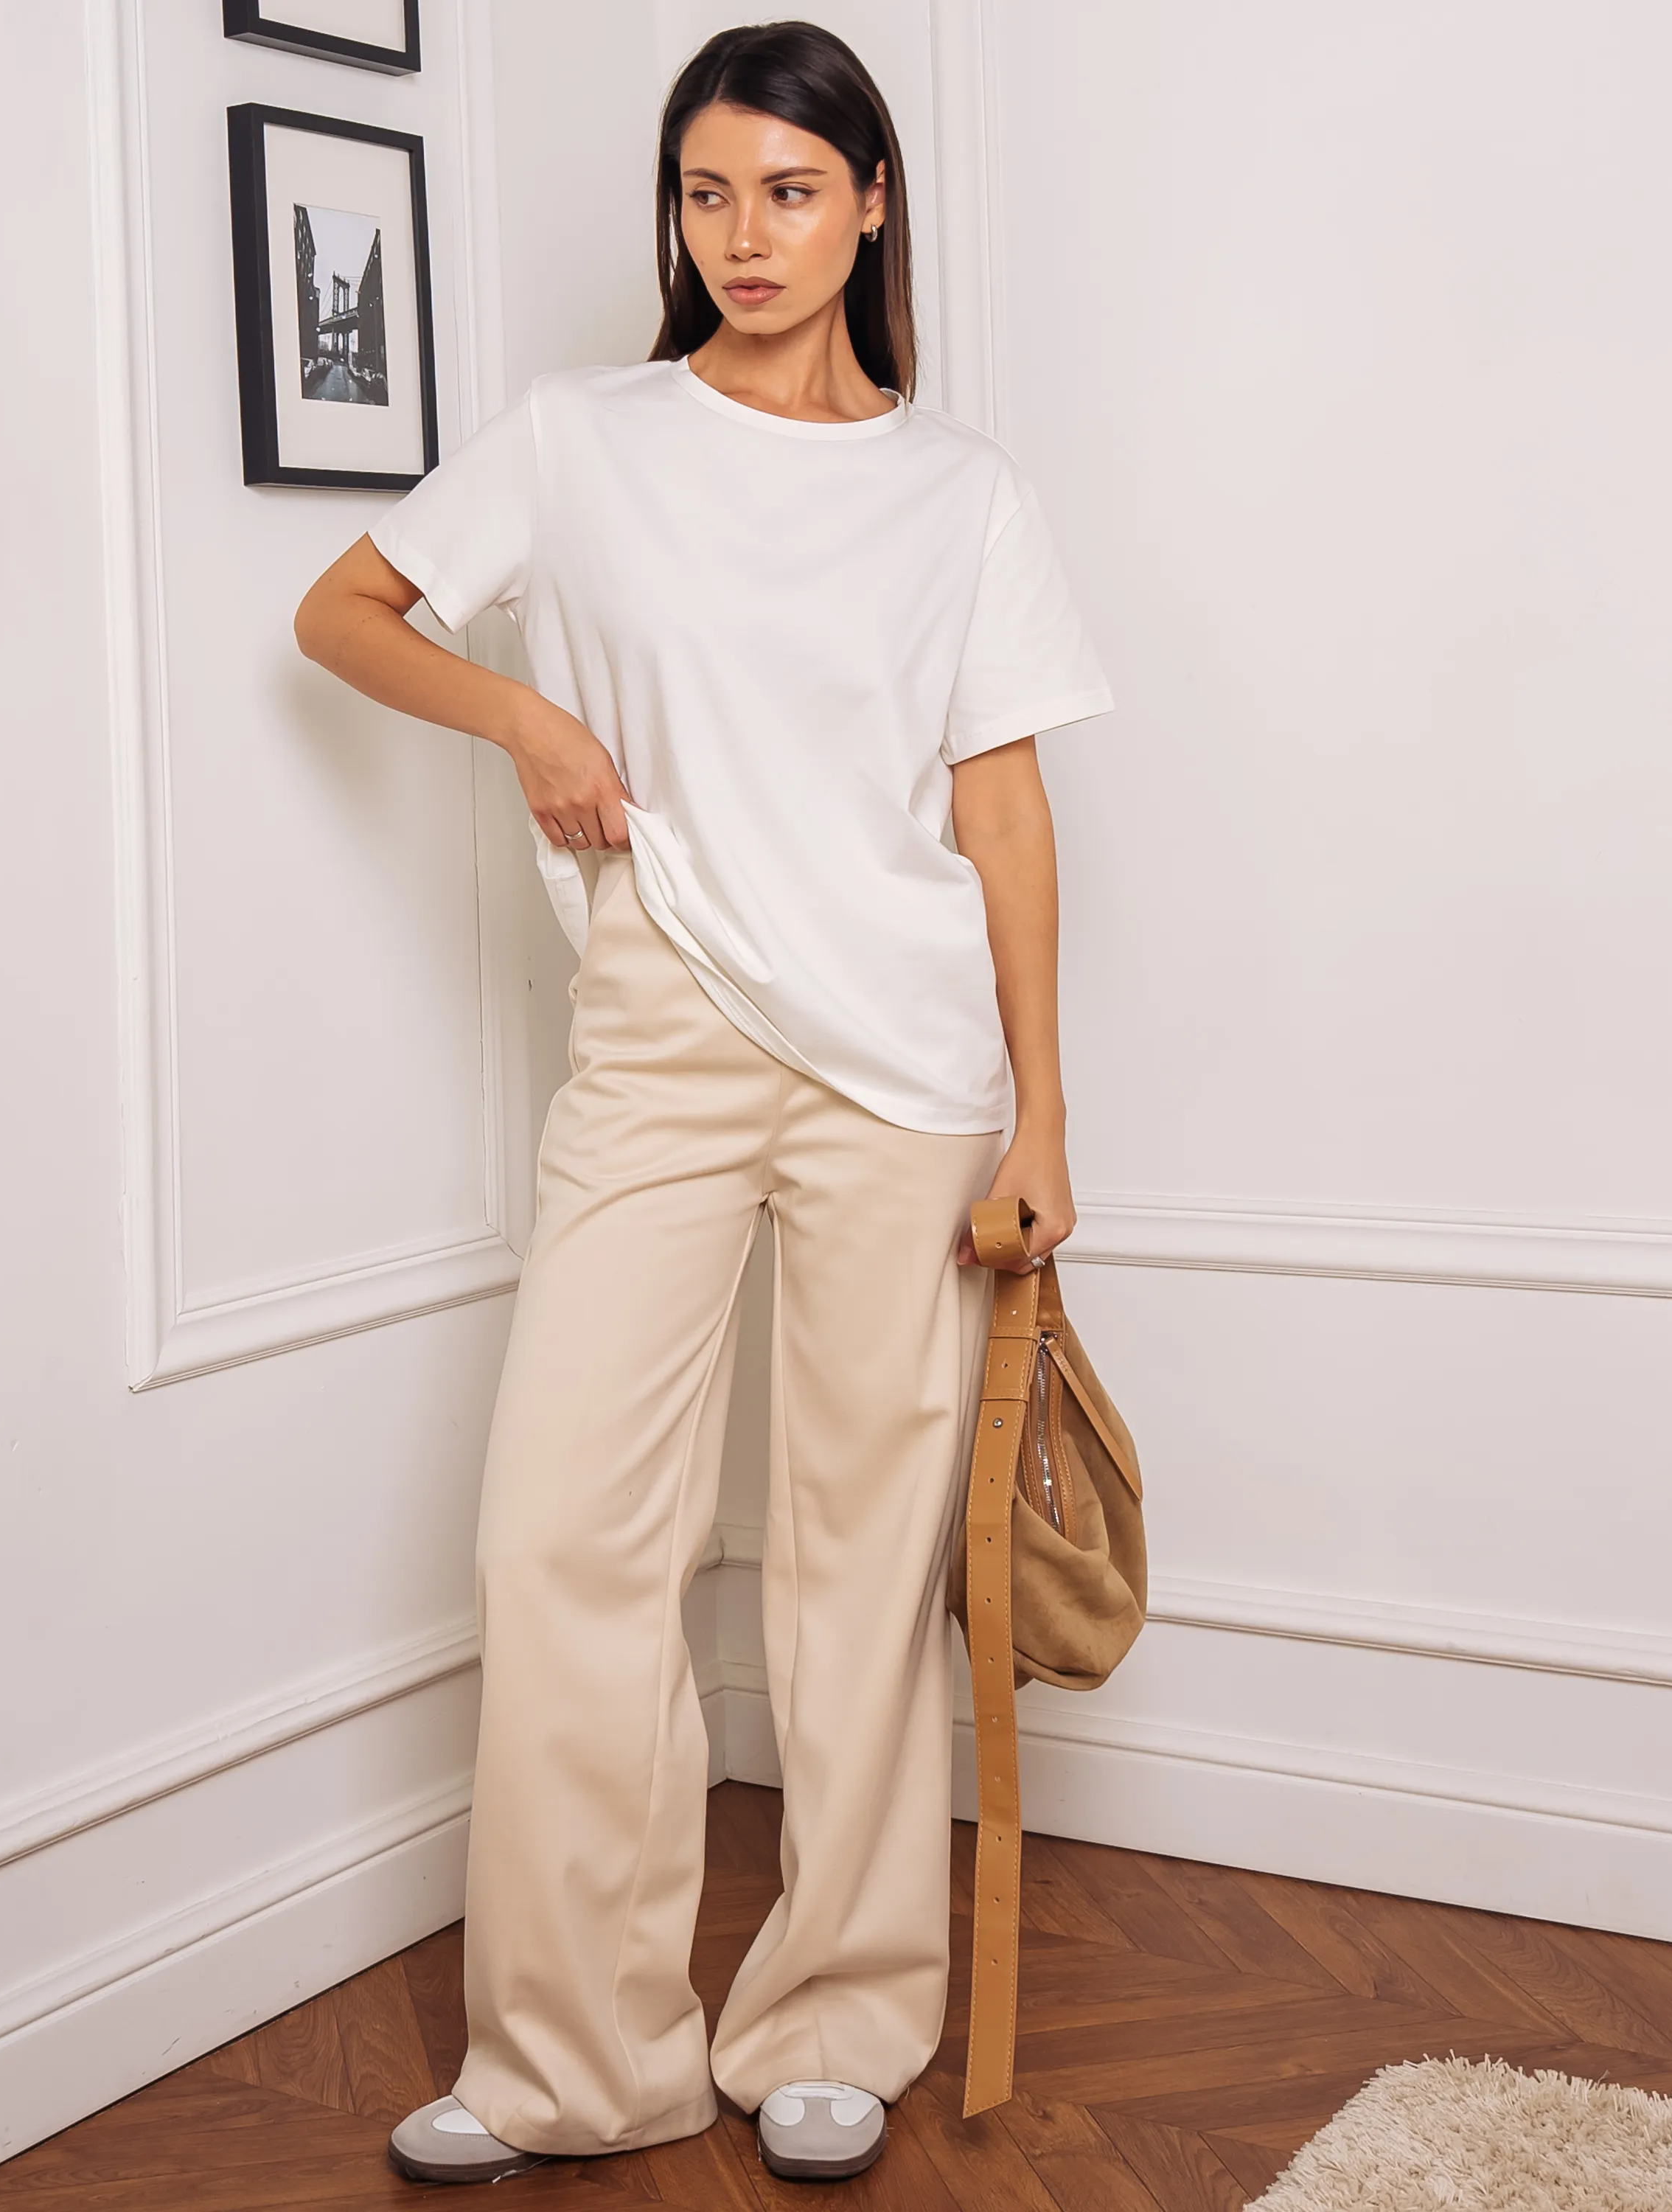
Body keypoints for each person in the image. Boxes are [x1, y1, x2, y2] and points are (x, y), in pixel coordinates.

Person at [293, 18, 1111, 2188]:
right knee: (563, 1532)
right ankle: (571, 2057)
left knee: (861, 1559)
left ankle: (838, 2015)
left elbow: (1004, 820)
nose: (744, 235)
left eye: (791, 191)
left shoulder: (963, 494)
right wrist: (526, 723)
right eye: (707, 192)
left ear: (871, 207)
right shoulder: (583, 439)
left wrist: (1043, 1120)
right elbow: (344, 612)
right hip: (659, 1027)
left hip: (905, 1074)